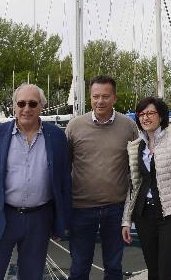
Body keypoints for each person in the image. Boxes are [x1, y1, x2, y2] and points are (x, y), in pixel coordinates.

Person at [0, 84, 71, 279]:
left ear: (41, 106)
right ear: (14, 107)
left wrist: (62, 221)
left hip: (39, 219)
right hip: (0, 216)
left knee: (32, 276)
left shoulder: (57, 136)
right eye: (22, 103)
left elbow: (64, 182)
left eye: (33, 104)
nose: (27, 108)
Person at [66, 75, 138, 280]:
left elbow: (135, 170)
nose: (100, 101)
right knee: (79, 268)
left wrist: (131, 210)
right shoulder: (74, 126)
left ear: (114, 98)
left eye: (105, 96)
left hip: (116, 209)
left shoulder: (128, 126)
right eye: (95, 96)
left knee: (114, 267)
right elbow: (65, 166)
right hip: (80, 209)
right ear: (90, 97)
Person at [121, 97, 171, 280]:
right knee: (153, 269)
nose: (145, 118)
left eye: (150, 113)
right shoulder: (136, 146)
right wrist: (126, 220)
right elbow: (133, 185)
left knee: (167, 270)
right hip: (144, 214)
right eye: (141, 114)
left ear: (161, 116)